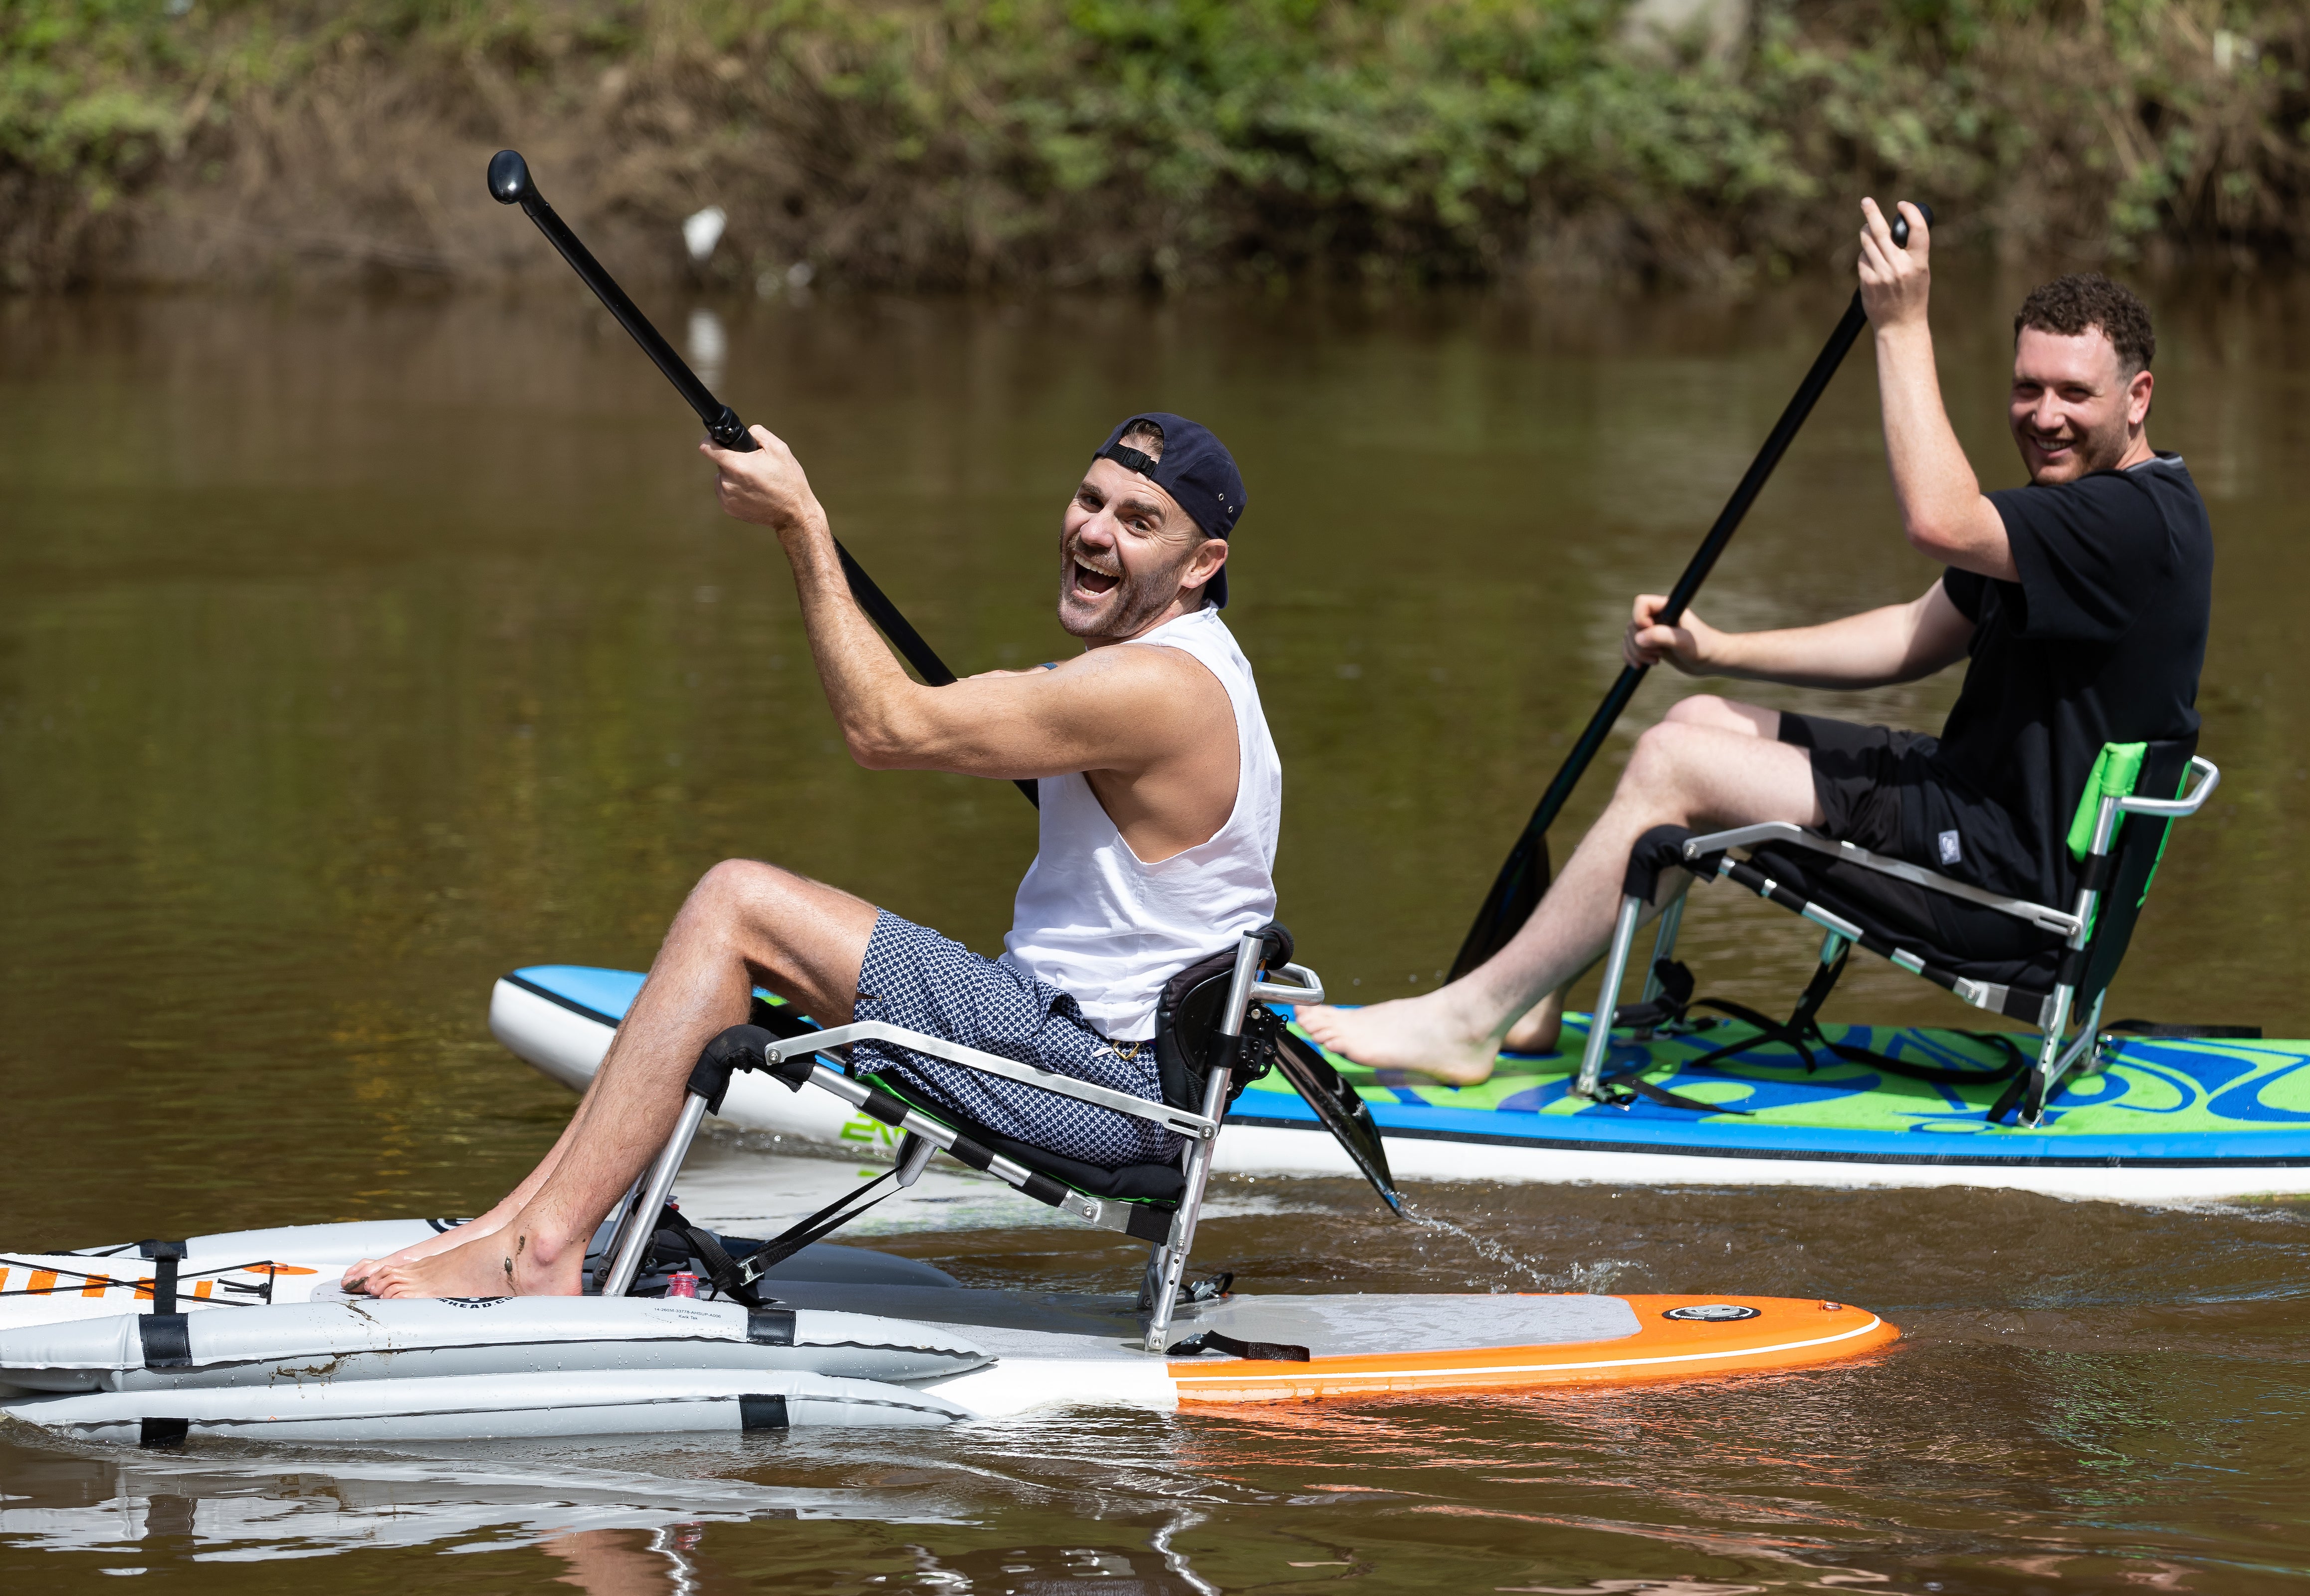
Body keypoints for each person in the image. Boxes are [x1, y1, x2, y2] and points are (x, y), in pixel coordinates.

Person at [346, 412, 1280, 1297]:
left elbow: (885, 726)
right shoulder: (1181, 669)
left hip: (1101, 1089)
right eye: (1090, 500)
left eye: (1139, 520)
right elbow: (948, 719)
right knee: (739, 923)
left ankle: (543, 1250)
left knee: (738, 904)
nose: (1094, 532)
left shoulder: (1155, 687)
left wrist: (802, 522)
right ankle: (524, 1226)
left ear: (1203, 563)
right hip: (1075, 1048)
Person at [1298, 199, 2211, 1085]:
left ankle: (1468, 1022)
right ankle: (1531, 998)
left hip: (2008, 897)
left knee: (1675, 765)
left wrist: (1900, 326)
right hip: (1973, 814)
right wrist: (1717, 648)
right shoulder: (2085, 513)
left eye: (2074, 394)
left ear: (2138, 398)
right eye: (2027, 387)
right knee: (1700, 717)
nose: (2044, 415)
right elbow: (1911, 635)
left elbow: (1938, 518)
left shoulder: (2126, 522)